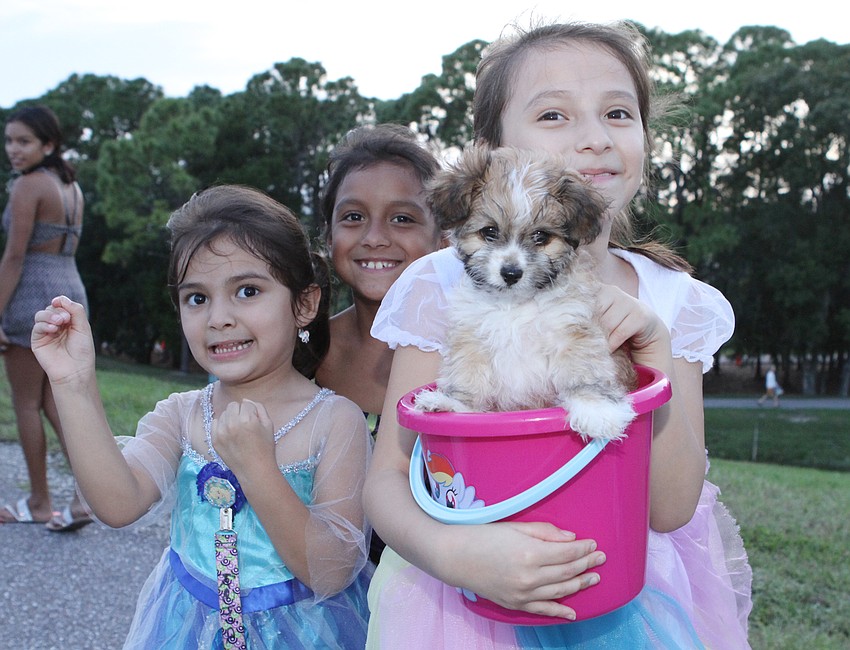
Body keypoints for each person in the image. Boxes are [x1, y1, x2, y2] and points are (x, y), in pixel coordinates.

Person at [363, 21, 751, 649]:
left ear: (646, 138)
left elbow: (671, 508)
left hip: (626, 592)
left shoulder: (673, 301)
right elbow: (389, 477)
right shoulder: (440, 285)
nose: (595, 139)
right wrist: (452, 552)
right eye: (554, 116)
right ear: (491, 149)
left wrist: (652, 356)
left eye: (618, 113)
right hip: (460, 600)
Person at [31, 185, 373, 648]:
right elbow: (117, 504)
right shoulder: (182, 415)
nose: (218, 317)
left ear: (304, 304)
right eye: (197, 298)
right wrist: (72, 384)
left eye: (247, 291)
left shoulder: (336, 422)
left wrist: (257, 470)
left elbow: (331, 572)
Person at [315, 123, 445, 431]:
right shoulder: (302, 354)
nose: (374, 238)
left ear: (446, 239)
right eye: (354, 217)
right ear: (329, 236)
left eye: (402, 219)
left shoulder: (476, 357)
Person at [0, 105, 92, 531]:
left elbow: (15, 256)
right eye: (9, 140)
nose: (13, 150)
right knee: (58, 402)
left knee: (26, 402)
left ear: (48, 144)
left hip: (30, 294)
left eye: (23, 141)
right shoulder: (71, 187)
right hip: (70, 289)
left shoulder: (28, 186)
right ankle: (85, 498)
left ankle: (39, 502)